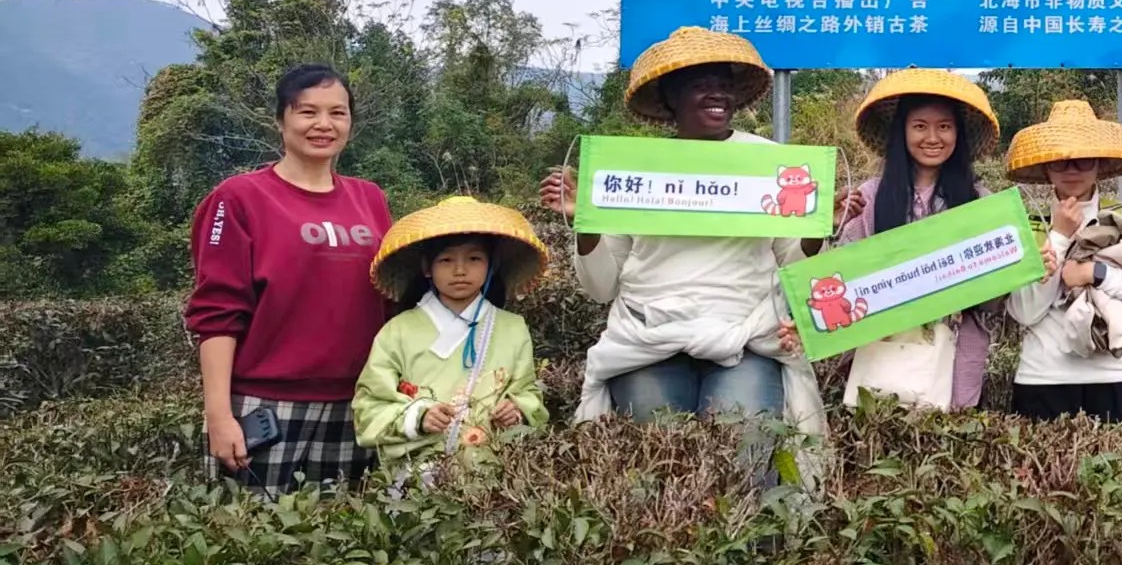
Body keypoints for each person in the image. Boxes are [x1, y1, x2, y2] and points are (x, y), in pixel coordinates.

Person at [540, 29, 824, 472]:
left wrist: (816, 226)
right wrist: (585, 222)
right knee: (658, 467)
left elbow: (793, 262)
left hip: (743, 335)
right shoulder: (633, 170)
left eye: (725, 84)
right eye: (700, 84)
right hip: (648, 334)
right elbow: (602, 287)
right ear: (670, 97)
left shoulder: (770, 163)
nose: (717, 94)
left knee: (744, 462)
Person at [184, 64, 394, 495]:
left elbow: (395, 294)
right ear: (281, 120)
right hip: (266, 405)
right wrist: (219, 415)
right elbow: (217, 313)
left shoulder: (369, 198)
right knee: (253, 548)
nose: (323, 125)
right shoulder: (239, 198)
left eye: (338, 113)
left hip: (358, 402)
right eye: (307, 112)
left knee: (347, 547)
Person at [827, 69, 1002, 410]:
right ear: (902, 133)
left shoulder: (981, 202)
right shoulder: (870, 197)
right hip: (881, 350)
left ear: (958, 135)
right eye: (920, 126)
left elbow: (993, 300)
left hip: (953, 352)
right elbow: (840, 279)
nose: (932, 137)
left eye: (945, 126)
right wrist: (830, 225)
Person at [1001, 101, 1122, 426]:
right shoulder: (1028, 225)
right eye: (1061, 162)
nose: (1072, 169)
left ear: (1099, 165)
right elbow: (1025, 311)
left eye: (1084, 161)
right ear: (1046, 167)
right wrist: (1058, 236)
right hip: (1044, 379)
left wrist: (1098, 274)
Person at [352, 198, 549, 469]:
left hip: (495, 480)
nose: (460, 270)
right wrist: (419, 417)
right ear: (426, 267)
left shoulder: (513, 328)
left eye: (474, 259)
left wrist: (518, 411)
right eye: (446, 260)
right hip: (417, 479)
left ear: (491, 264)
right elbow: (369, 407)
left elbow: (527, 393)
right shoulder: (398, 331)